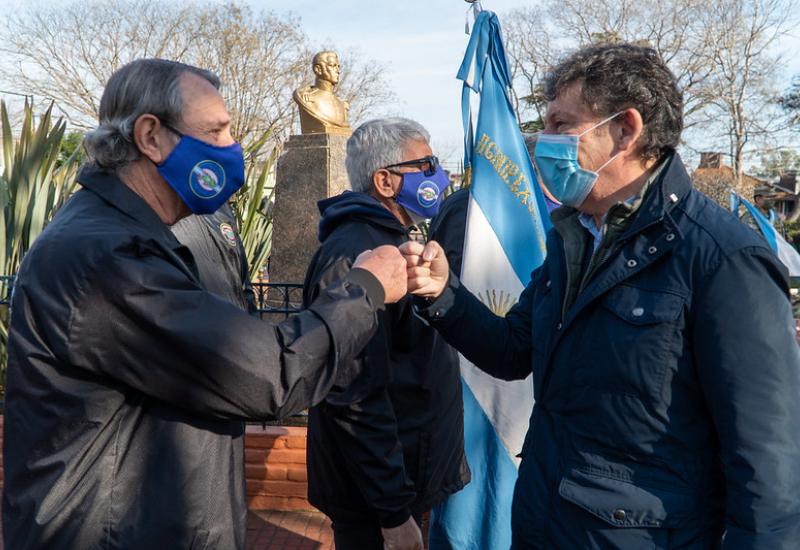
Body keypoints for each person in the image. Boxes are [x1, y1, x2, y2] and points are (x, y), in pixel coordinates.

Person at [402, 44, 800, 548]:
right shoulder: (573, 239)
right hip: (545, 525)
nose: (541, 142)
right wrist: (443, 294)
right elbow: (513, 349)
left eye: (561, 125)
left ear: (626, 130)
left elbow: (768, 465)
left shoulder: (723, 259)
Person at [2, 58, 408, 550]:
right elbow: (271, 374)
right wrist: (365, 287)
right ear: (150, 136)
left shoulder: (136, 237)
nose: (232, 148)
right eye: (216, 132)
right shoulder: (108, 257)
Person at [303, 118, 468, 550]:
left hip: (404, 477)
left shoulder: (389, 239)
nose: (438, 174)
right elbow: (354, 394)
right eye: (426, 164)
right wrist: (392, 512)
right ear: (385, 181)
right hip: (376, 502)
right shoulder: (358, 253)